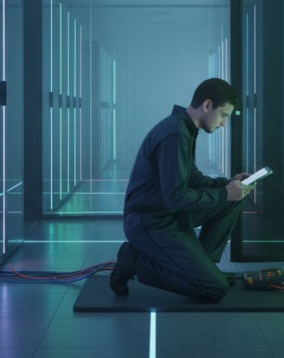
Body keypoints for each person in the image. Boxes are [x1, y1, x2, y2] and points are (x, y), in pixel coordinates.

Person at [109, 78, 254, 302]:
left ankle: (202, 267)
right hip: (149, 221)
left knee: (232, 200)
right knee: (214, 289)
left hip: (168, 214)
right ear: (207, 105)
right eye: (224, 115)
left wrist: (227, 185)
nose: (224, 123)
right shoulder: (175, 133)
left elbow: (192, 178)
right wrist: (225, 192)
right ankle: (135, 261)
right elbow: (175, 196)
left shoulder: (184, 128)